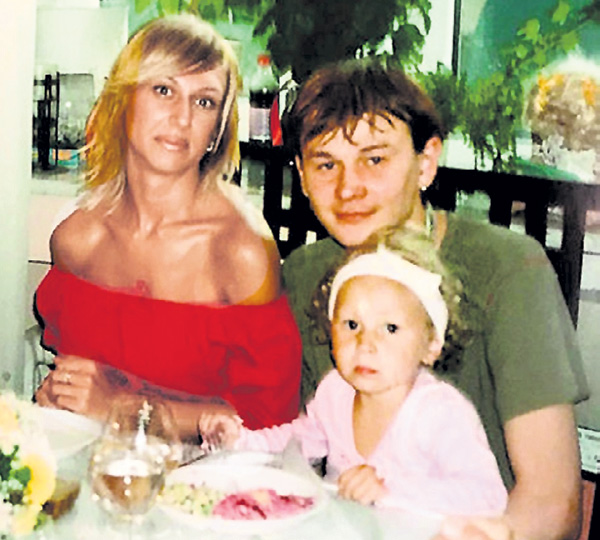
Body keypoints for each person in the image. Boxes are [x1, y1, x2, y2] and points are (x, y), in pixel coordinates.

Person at [280, 60, 588, 540]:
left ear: (425, 163)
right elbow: (297, 445)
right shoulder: (304, 273)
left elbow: (554, 501)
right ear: (301, 175)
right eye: (326, 164)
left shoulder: (508, 270)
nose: (348, 187)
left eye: (374, 159)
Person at [33, 14, 301, 437]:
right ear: (124, 100)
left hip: (209, 472)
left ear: (217, 130)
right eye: (163, 90)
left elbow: (270, 422)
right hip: (100, 459)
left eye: (204, 101)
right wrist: (60, 395)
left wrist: (122, 408)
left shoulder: (240, 250)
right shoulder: (77, 239)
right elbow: (79, 388)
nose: (182, 117)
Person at [199, 227, 508, 516]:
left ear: (431, 345)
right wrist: (240, 441)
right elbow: (298, 440)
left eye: (390, 328)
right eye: (351, 324)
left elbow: (488, 496)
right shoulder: (336, 391)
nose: (365, 344)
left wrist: (389, 490)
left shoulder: (439, 412)